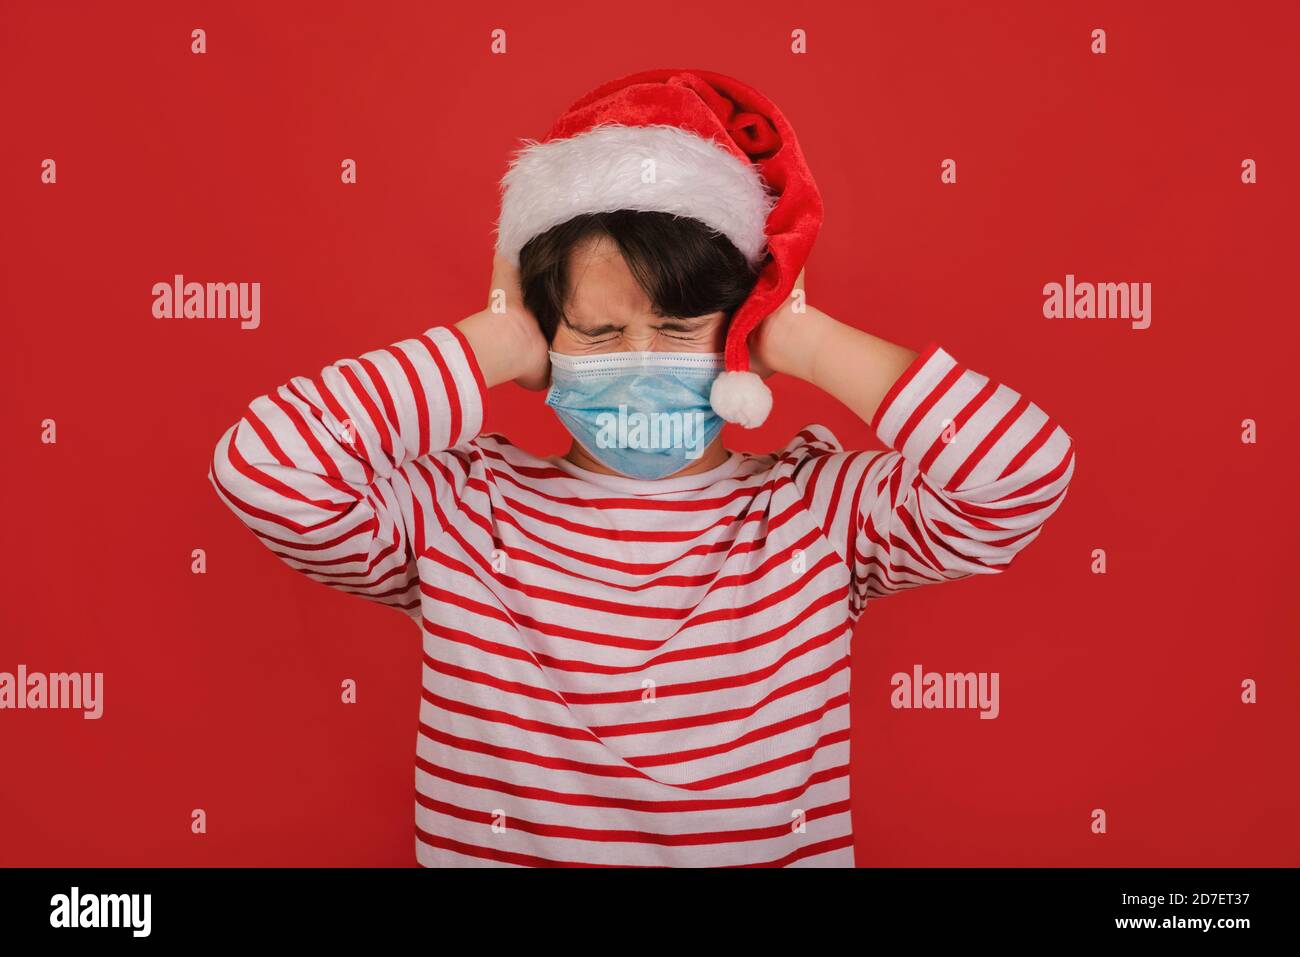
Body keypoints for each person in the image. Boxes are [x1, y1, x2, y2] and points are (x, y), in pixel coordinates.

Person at [210, 69, 1074, 867]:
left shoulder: (818, 510)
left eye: (677, 327)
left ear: (738, 334)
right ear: (549, 342)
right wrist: (500, 334)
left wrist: (800, 336)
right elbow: (267, 467)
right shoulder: (456, 507)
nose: (638, 358)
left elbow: (1018, 475)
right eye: (596, 332)